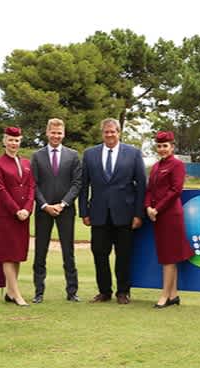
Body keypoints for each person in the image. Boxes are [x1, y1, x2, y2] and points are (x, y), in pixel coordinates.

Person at [79, 118, 147, 304]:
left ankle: (123, 292)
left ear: (119, 132)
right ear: (102, 134)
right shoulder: (90, 154)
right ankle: (104, 291)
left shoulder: (133, 154)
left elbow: (141, 185)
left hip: (125, 214)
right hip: (98, 214)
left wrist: (138, 214)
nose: (109, 135)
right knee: (99, 254)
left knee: (124, 255)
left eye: (113, 131)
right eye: (106, 132)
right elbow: (84, 186)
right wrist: (84, 211)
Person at [30, 118, 82, 303]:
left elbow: (77, 183)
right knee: (40, 251)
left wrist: (63, 203)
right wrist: (44, 205)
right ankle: (39, 292)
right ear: (47, 132)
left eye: (59, 133)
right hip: (43, 210)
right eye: (53, 132)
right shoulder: (37, 156)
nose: (56, 136)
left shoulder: (73, 155)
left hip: (65, 210)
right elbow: (33, 184)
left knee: (68, 251)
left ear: (64, 134)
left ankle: (72, 291)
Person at [145, 131, 195, 308]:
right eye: (159, 146)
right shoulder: (156, 166)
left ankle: (165, 296)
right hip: (157, 216)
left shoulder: (177, 165)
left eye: (165, 146)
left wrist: (156, 209)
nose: (162, 149)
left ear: (172, 147)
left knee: (169, 257)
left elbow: (175, 191)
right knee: (167, 255)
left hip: (170, 216)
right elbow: (149, 189)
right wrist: (148, 207)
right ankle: (173, 295)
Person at [0, 126, 35, 307]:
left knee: (17, 254)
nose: (13, 143)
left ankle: (10, 291)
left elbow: (31, 187)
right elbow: (0, 190)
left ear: (20, 141)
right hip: (8, 216)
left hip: (24, 215)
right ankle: (17, 294)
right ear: (4, 141)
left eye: (16, 140)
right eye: (10, 140)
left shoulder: (26, 163)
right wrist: (16, 210)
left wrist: (27, 209)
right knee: (8, 255)